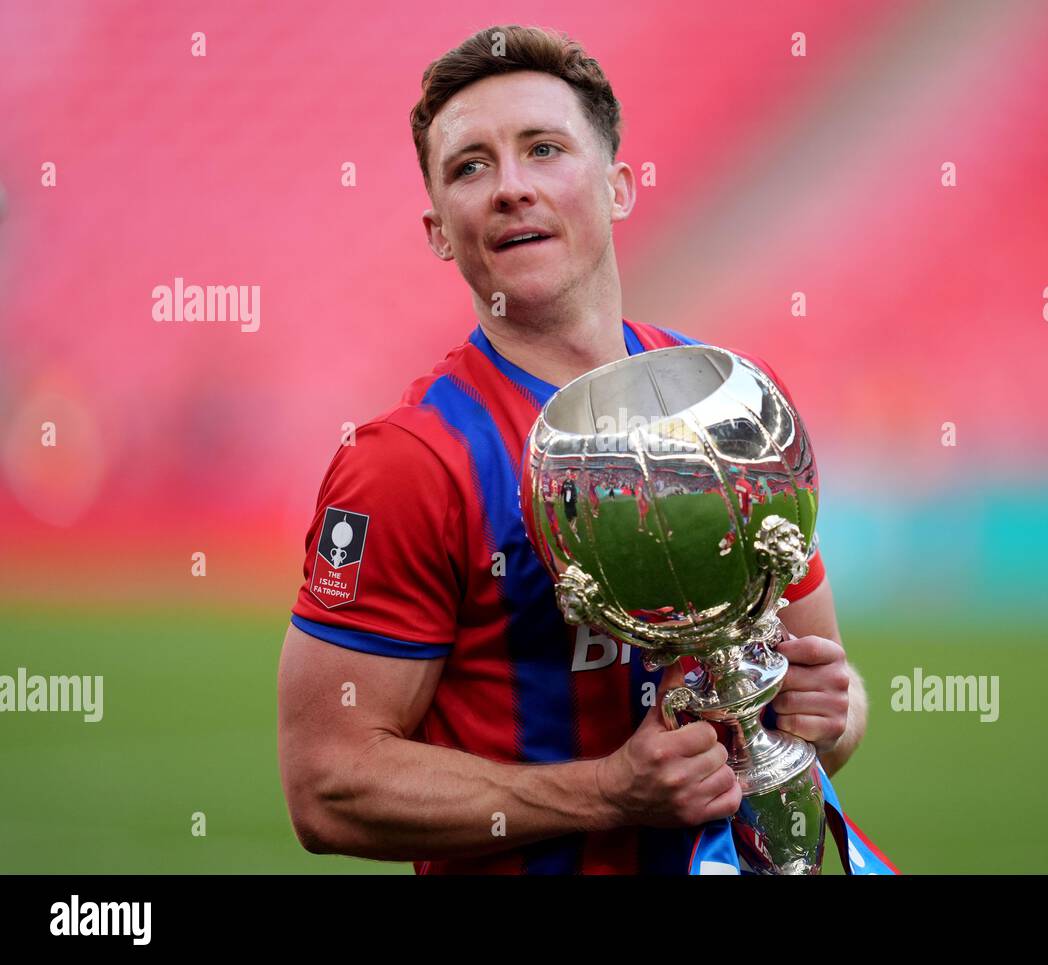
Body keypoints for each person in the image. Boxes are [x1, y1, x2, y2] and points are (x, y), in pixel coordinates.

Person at [276, 23, 868, 874]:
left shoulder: (734, 407)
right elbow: (326, 785)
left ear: (619, 186)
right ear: (441, 229)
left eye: (544, 149)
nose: (511, 187)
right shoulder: (408, 464)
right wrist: (608, 791)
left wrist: (828, 713)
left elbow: (831, 709)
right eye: (470, 167)